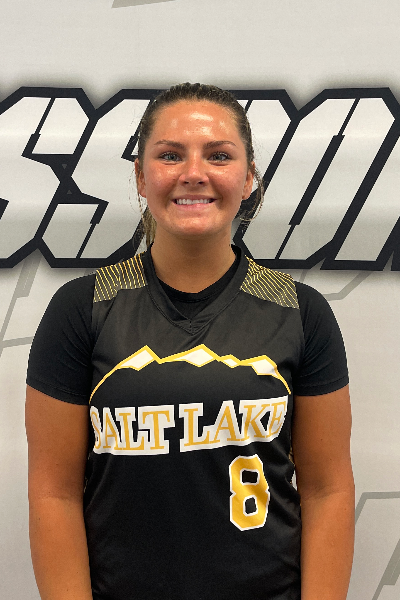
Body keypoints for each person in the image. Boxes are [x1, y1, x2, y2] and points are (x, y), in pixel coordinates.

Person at [26, 83, 355, 600]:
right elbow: (53, 493)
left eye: (219, 156)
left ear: (248, 177)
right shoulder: (81, 308)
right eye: (170, 155)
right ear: (141, 176)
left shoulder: (300, 311)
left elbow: (327, 489)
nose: (194, 173)